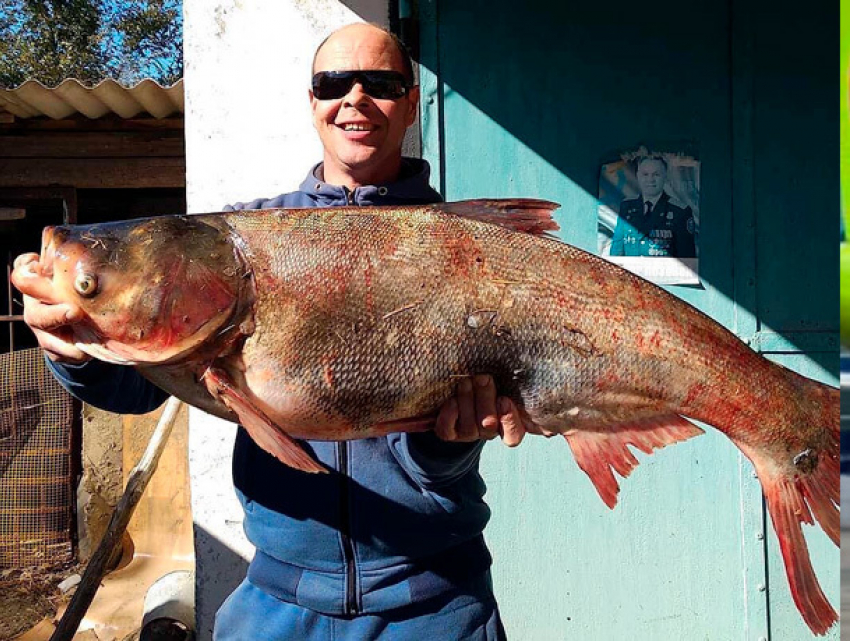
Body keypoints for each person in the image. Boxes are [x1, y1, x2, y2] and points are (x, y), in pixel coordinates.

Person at [13, 23, 530, 641]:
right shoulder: (240, 237)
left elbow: (440, 455)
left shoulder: (468, 251)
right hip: (277, 601)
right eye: (334, 83)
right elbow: (139, 389)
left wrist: (449, 447)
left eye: (382, 83)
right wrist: (74, 343)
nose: (356, 98)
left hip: (437, 602)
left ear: (412, 103)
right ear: (313, 102)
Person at [609, 155, 697, 257]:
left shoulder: (680, 211)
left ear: (665, 177)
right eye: (645, 174)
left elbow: (687, 259)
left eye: (656, 174)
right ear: (638, 176)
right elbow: (616, 251)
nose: (650, 179)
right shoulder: (627, 207)